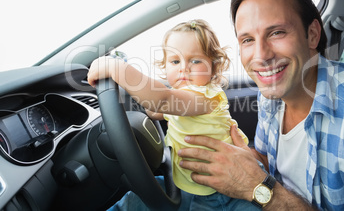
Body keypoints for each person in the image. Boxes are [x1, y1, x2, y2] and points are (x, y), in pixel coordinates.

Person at [177, 0, 344, 210]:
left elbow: (262, 184)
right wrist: (241, 159)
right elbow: (270, 162)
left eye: (277, 33)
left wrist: (258, 188)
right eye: (247, 40)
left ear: (312, 34)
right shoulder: (271, 95)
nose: (261, 55)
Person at [87, 19, 258, 210]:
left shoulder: (204, 97)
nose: (184, 67)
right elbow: (154, 109)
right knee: (132, 201)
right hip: (187, 185)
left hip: (225, 192)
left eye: (195, 60)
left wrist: (116, 68)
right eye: (175, 61)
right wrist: (146, 90)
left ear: (213, 67)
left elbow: (162, 100)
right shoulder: (180, 98)